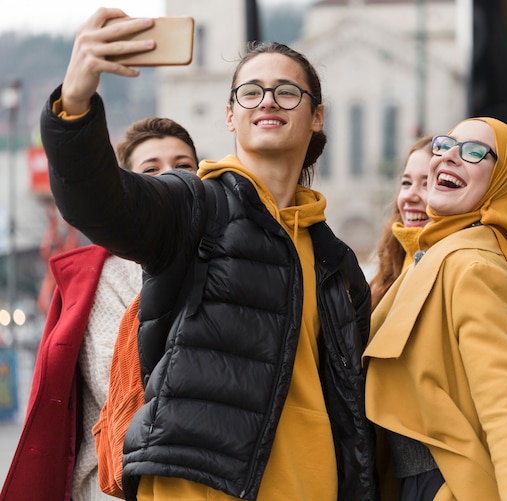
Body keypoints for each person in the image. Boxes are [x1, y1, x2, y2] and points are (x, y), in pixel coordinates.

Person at [39, 8, 377, 501]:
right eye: (250, 92)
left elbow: (352, 404)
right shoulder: (195, 204)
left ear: (316, 116)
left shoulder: (337, 263)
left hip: (311, 484)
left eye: (287, 91)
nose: (269, 101)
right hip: (198, 485)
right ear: (230, 115)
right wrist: (75, 101)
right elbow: (102, 204)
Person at [364, 117, 507, 500]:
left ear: (503, 181)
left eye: (474, 153)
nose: (449, 158)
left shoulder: (473, 267)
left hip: (450, 487)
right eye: (445, 146)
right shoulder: (437, 257)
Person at [0, 116, 199, 501]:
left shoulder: (226, 259)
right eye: (151, 169)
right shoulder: (105, 277)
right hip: (115, 485)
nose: (170, 177)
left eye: (183, 166)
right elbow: (121, 387)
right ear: (128, 187)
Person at [369, 136, 433, 310]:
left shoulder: (461, 268)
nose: (409, 196)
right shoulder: (393, 264)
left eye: (427, 184)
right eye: (406, 183)